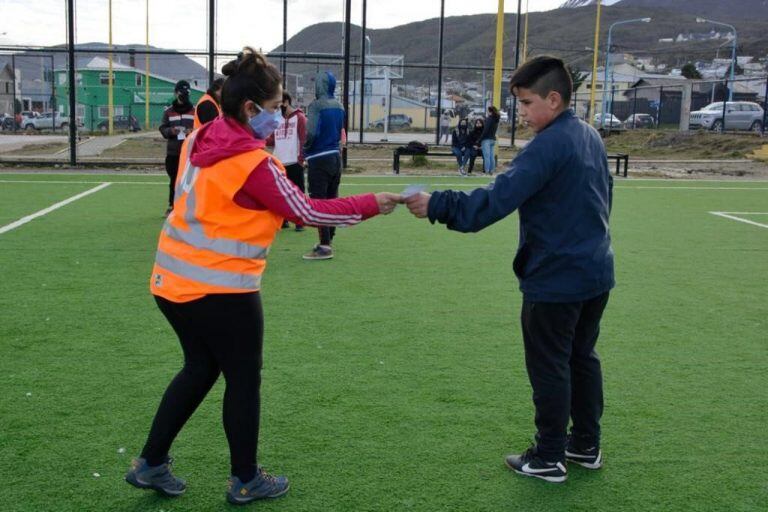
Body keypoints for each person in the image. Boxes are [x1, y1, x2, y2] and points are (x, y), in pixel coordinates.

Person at [124, 47, 401, 505]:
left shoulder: (202, 136)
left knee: (199, 367)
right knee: (243, 379)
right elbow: (309, 210)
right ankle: (246, 478)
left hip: (171, 282)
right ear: (251, 108)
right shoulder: (255, 165)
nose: (280, 118)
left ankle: (151, 463)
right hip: (221, 290)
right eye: (274, 109)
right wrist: (373, 202)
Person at [403, 56, 614, 484]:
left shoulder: (549, 143)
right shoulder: (588, 135)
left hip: (557, 277)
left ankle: (550, 456)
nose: (520, 112)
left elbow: (497, 199)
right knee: (580, 357)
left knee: (550, 364)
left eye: (526, 102)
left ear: (554, 99)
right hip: (595, 271)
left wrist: (436, 205)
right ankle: (585, 444)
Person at [302, 71, 345, 260]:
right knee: (332, 200)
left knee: (319, 203)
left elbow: (311, 133)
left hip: (319, 158)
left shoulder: (316, 106)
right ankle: (329, 239)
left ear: (321, 85)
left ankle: (324, 246)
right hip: (336, 157)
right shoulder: (340, 106)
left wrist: (304, 149)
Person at [267, 92, 307, 231]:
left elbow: (304, 139)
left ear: (286, 102)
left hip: (294, 162)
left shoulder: (300, 118)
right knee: (281, 194)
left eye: (279, 104)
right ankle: (283, 220)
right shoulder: (276, 119)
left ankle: (299, 221)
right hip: (279, 162)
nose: (277, 107)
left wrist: (301, 159)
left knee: (298, 193)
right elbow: (272, 139)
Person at [159, 80, 195, 216]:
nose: (184, 95)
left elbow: (201, 128)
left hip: (190, 152)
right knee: (174, 179)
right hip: (173, 152)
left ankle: (189, 208)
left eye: (187, 92)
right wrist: (171, 131)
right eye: (181, 92)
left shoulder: (195, 110)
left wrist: (192, 131)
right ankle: (172, 206)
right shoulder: (168, 111)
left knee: (191, 181)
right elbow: (162, 128)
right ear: (175, 93)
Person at [480, 105, 501, 175]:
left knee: (487, 157)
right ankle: (492, 171)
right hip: (493, 139)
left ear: (490, 111)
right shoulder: (496, 119)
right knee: (492, 156)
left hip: (486, 140)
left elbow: (485, 130)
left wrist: (479, 140)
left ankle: (486, 171)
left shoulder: (489, 119)